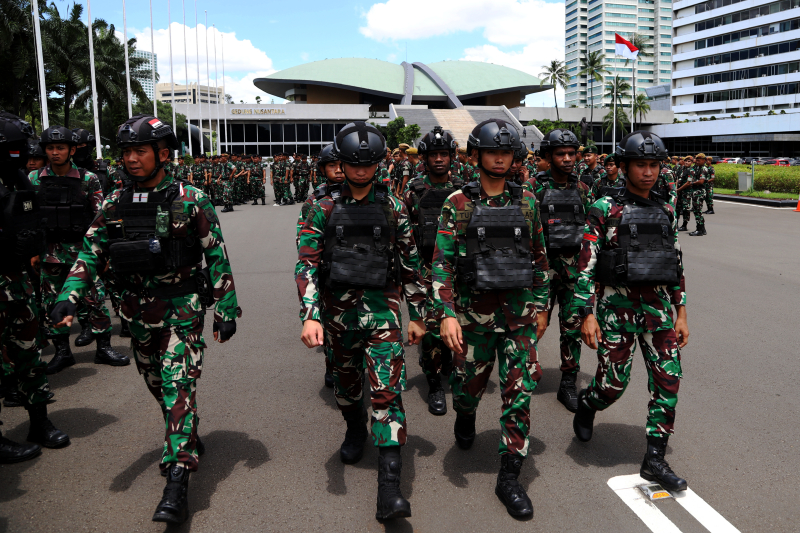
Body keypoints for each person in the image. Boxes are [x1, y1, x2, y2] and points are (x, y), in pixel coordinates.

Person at [50, 114, 239, 524]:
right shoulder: (114, 202)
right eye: (126, 152)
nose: (132, 159)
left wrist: (225, 309)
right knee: (157, 384)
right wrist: (69, 296)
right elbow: (91, 252)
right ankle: (186, 426)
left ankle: (177, 481)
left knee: (176, 383)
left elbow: (216, 255)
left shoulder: (191, 199)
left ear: (163, 154)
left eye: (140, 151)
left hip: (182, 309)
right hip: (137, 314)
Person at [296, 121, 425, 521]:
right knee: (348, 386)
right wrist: (311, 316)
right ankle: (354, 427)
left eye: (368, 164)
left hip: (382, 310)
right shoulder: (321, 207)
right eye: (353, 163)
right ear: (342, 162)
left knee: (387, 392)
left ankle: (390, 489)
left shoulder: (393, 206)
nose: (361, 171)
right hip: (337, 314)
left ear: (378, 164)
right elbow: (307, 266)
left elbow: (410, 264)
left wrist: (418, 313)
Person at [432, 119, 549, 518]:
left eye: (506, 152)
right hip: (472, 320)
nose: (500, 158)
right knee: (467, 391)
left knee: (519, 394)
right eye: (492, 152)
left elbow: (539, 260)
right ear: (476, 155)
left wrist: (543, 307)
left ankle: (510, 476)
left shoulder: (528, 202)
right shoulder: (457, 204)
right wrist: (446, 314)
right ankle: (464, 418)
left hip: (518, 319)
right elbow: (442, 264)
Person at [571, 131, 689, 493]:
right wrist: (586, 314)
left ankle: (654, 458)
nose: (649, 171)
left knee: (669, 381)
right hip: (615, 313)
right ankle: (589, 405)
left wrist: (681, 311)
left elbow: (675, 265)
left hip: (658, 313)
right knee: (612, 386)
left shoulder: (666, 210)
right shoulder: (604, 210)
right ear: (624, 166)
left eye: (654, 165)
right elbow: (586, 266)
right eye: (641, 164)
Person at [29, 126, 128, 374]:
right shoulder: (34, 179)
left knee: (94, 301)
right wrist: (33, 251)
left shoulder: (87, 178)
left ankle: (103, 348)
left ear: (72, 150)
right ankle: (62, 352)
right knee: (53, 303)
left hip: (83, 253)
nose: (55, 152)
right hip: (50, 253)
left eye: (60, 148)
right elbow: (28, 220)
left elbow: (99, 217)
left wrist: (104, 253)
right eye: (50, 148)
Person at [0, 113, 70, 463]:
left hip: (20, 286)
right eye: (14, 149)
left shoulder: (17, 181)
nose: (21, 154)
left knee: (29, 352)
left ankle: (39, 422)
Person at [402, 127, 461, 416]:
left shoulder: (465, 189)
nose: (439, 159)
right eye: (433, 154)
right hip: (424, 269)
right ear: (424, 158)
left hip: (457, 269)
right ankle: (434, 383)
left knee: (454, 321)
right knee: (430, 330)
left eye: (444, 154)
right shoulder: (413, 191)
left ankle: (450, 361)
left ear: (452, 157)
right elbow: (404, 235)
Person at [535, 129, 594, 413]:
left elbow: (593, 234)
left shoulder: (583, 190)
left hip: (572, 273)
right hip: (541, 273)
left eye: (572, 153)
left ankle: (568, 383)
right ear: (548, 156)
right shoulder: (532, 188)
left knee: (571, 329)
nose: (568, 158)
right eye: (561, 154)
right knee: (535, 325)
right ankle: (525, 368)